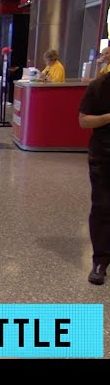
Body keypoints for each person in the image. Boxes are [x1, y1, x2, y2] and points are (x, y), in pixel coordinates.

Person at [78, 72, 110, 285]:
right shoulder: (99, 86)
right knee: (102, 207)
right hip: (103, 157)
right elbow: (83, 121)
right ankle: (100, 261)